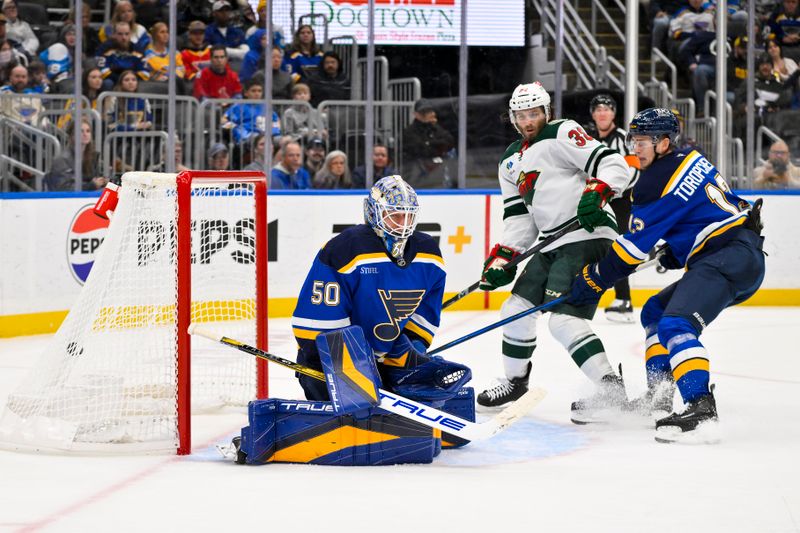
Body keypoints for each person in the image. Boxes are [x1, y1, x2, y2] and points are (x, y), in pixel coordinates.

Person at [568, 108, 765, 443]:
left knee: (676, 324)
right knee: (656, 313)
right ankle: (659, 397)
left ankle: (701, 408)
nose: (635, 147)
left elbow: (631, 250)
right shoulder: (690, 157)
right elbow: (699, 211)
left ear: (663, 142)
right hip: (735, 250)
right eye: (633, 140)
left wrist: (594, 279)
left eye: (643, 141)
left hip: (727, 255)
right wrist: (678, 249)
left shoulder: (653, 182)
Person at [475, 82, 632, 424]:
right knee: (515, 308)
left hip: (587, 235)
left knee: (564, 320)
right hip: (552, 243)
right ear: (513, 118)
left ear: (547, 111)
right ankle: (515, 383)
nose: (529, 120)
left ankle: (610, 389)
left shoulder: (563, 132)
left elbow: (613, 163)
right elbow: (519, 219)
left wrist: (600, 191)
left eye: (534, 113)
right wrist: (502, 260)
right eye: (521, 115)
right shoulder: (509, 161)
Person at [291, 175, 459, 401]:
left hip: (385, 363)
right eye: (394, 216)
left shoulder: (429, 255)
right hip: (330, 365)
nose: (402, 224)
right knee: (352, 411)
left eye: (408, 216)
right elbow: (314, 326)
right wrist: (355, 367)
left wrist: (408, 357)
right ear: (374, 213)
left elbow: (422, 320)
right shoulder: (345, 249)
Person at [586, 94, 640, 323]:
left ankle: (624, 300)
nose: (602, 113)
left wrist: (608, 190)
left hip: (619, 201)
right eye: (597, 109)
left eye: (606, 109)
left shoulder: (623, 139)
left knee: (617, 247)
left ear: (614, 114)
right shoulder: (588, 140)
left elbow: (634, 172)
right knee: (589, 245)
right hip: (595, 200)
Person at [401, 99, 455, 188]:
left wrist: (429, 143)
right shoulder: (409, 132)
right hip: (416, 175)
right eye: (424, 111)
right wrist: (436, 146)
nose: (429, 114)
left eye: (430, 111)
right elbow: (421, 150)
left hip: (438, 174)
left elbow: (449, 142)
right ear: (416, 114)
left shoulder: (436, 129)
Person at [44, 118, 105, 191]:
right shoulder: (62, 160)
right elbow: (64, 188)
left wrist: (103, 182)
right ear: (72, 135)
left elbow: (94, 179)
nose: (85, 134)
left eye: (88, 131)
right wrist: (91, 185)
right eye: (81, 131)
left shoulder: (93, 156)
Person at [222, 78, 280, 144]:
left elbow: (276, 121)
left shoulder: (267, 107)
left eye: (259, 91)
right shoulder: (238, 107)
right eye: (253, 91)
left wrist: (273, 133)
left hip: (268, 136)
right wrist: (237, 130)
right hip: (247, 137)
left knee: (284, 140)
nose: (257, 94)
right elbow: (224, 120)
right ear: (246, 93)